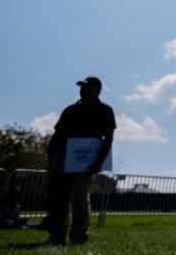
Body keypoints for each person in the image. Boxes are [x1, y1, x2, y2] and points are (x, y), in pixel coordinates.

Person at [45, 76, 115, 245]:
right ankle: (57, 235)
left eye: (87, 87)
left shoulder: (105, 110)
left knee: (80, 199)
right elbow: (57, 134)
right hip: (62, 158)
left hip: (85, 162)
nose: (82, 90)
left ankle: (78, 235)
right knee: (59, 198)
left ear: (97, 90)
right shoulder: (70, 110)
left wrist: (98, 162)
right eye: (81, 87)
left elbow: (108, 138)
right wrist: (52, 156)